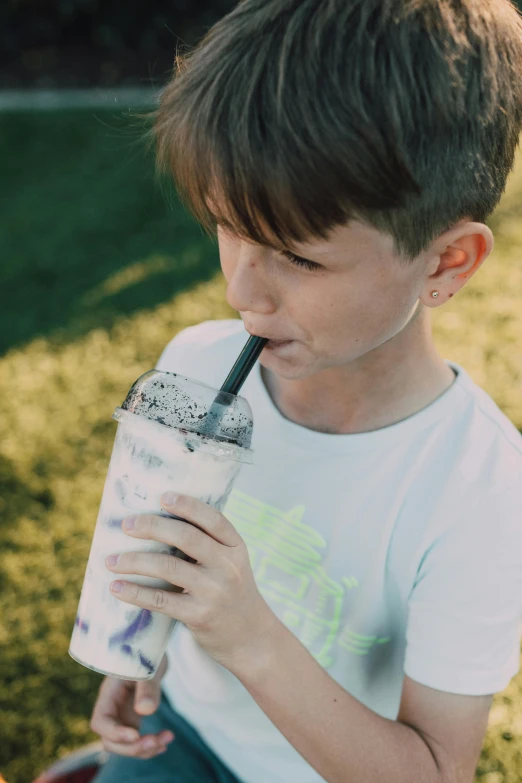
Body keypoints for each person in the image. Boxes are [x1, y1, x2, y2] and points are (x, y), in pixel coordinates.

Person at [89, 1, 522, 781]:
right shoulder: (192, 363)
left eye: (299, 257)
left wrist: (252, 637)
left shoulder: (481, 488)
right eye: (227, 227)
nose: (241, 295)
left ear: (446, 262)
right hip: (181, 733)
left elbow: (437, 770)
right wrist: (138, 654)